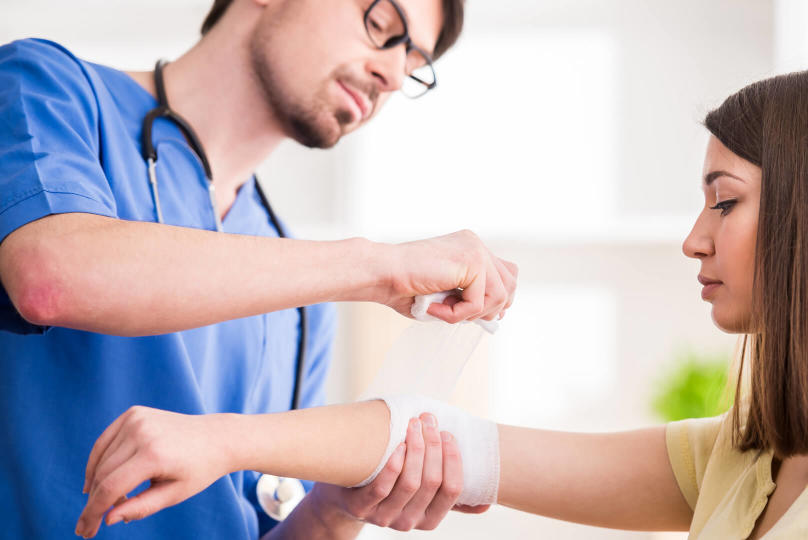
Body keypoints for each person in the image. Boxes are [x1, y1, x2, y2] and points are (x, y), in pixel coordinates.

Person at [78, 65, 808, 539]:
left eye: (724, 201)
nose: (695, 238)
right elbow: (436, 437)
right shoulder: (742, 454)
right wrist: (215, 441)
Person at [0, 0, 520, 538]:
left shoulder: (304, 308)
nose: (390, 74)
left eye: (411, 63)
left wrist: (337, 508)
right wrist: (381, 265)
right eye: (380, 25)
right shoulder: (45, 90)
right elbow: (50, 276)